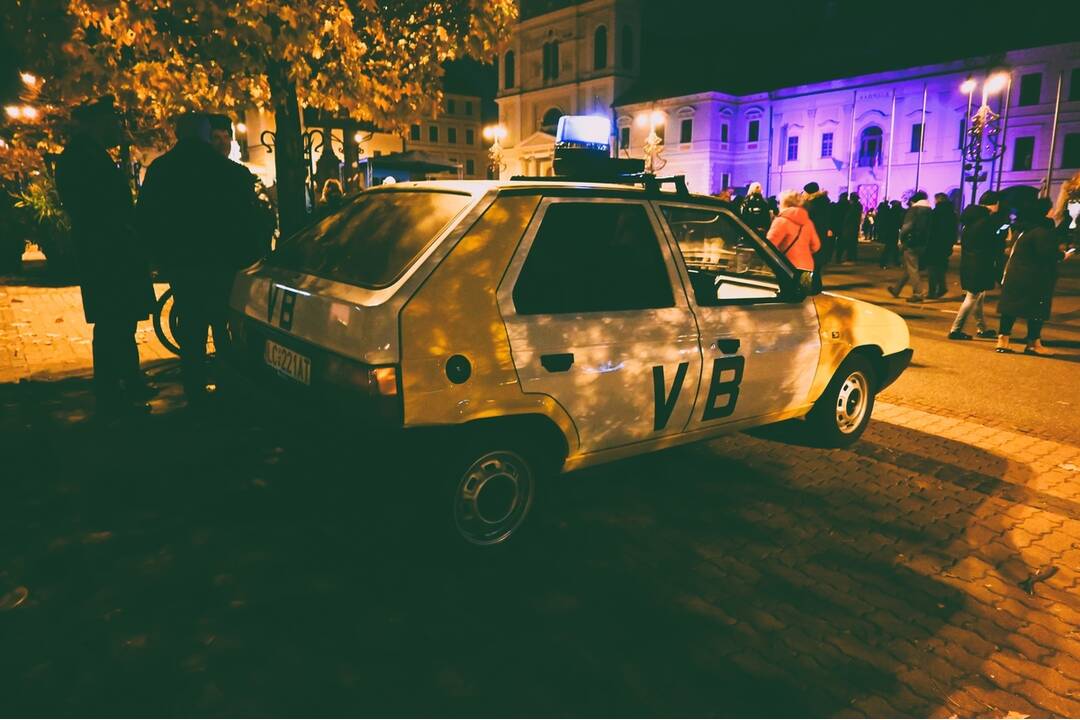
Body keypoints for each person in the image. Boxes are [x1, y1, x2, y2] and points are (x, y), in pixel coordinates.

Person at [137, 113, 269, 402]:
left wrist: (160, 258)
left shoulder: (162, 170)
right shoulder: (230, 173)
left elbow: (147, 219)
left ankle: (194, 386)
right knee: (224, 326)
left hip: (183, 264)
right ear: (207, 135)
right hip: (223, 264)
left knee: (192, 327)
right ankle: (228, 382)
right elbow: (247, 223)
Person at [54, 96, 156, 416]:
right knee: (115, 320)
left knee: (118, 320)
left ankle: (123, 380)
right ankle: (113, 388)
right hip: (107, 253)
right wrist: (123, 231)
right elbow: (97, 208)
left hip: (107, 250)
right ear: (98, 123)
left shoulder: (85, 155)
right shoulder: (84, 158)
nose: (118, 127)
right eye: (113, 121)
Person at [995, 197, 1073, 355]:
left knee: (1011, 309)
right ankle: (1033, 343)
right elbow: (1047, 253)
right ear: (1043, 213)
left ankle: (1003, 341)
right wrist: (1063, 255)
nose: (1053, 212)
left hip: (1016, 275)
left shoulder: (1023, 229)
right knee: (1037, 310)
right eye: (1050, 209)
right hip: (1036, 278)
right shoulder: (1042, 231)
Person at [948, 191, 1005, 340]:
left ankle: (982, 328)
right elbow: (991, 245)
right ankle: (956, 329)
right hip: (980, 264)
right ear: (995, 204)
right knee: (973, 297)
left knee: (978, 297)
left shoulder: (972, 220)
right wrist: (1002, 239)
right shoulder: (985, 222)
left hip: (970, 262)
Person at [889, 190, 932, 302]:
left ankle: (918, 293)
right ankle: (896, 289)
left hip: (911, 242)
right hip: (924, 243)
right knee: (911, 267)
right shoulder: (929, 211)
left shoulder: (914, 210)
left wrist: (901, 240)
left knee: (912, 268)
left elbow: (907, 226)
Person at [765, 189, 821, 272]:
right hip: (807, 267)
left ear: (784, 203)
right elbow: (816, 246)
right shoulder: (807, 222)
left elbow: (769, 246)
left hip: (787, 267)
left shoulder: (781, 221)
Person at [926, 192, 958, 298]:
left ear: (938, 200)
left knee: (931, 267)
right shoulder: (952, 213)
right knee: (940, 266)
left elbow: (930, 229)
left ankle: (932, 291)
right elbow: (954, 230)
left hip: (934, 243)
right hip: (946, 244)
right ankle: (942, 287)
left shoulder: (935, 212)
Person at [804, 182, 833, 286]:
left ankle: (813, 286)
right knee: (816, 264)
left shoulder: (814, 204)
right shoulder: (824, 202)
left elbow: (811, 220)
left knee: (812, 263)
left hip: (814, 236)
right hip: (821, 236)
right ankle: (815, 285)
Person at [876, 200, 900, 268]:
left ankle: (885, 262)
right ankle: (890, 262)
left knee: (889, 248)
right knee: (891, 248)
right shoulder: (895, 212)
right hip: (893, 232)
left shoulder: (889, 212)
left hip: (890, 232)